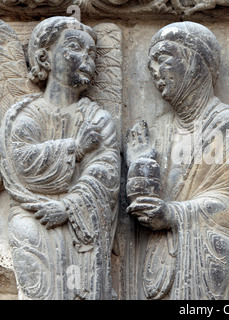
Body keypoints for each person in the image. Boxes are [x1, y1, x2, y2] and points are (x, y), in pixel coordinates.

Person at [125, 21, 229, 300]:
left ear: (195, 62)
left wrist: (172, 214)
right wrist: (140, 163)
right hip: (159, 258)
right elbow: (144, 203)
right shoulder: (157, 129)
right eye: (150, 65)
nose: (155, 72)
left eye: (163, 60)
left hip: (203, 256)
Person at [0, 16, 120, 299]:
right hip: (32, 215)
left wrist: (67, 208)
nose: (86, 59)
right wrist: (75, 149)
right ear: (45, 57)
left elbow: (105, 176)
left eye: (91, 53)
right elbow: (21, 161)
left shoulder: (97, 119)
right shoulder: (26, 113)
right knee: (27, 237)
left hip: (81, 224)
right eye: (75, 47)